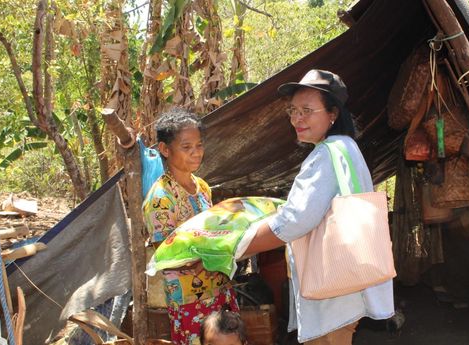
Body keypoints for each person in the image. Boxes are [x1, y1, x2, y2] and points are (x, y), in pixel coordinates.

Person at [243, 69, 395, 344]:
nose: (297, 119)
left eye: (307, 110)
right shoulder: (346, 147)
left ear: (332, 114)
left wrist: (241, 245)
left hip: (334, 287)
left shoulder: (326, 154)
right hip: (350, 280)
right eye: (293, 111)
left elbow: (297, 219)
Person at [143, 108, 239, 345]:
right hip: (188, 297)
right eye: (186, 147)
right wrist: (209, 256)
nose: (196, 153)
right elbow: (166, 251)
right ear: (165, 150)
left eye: (199, 145)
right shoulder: (161, 198)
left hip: (219, 288)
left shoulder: (203, 187)